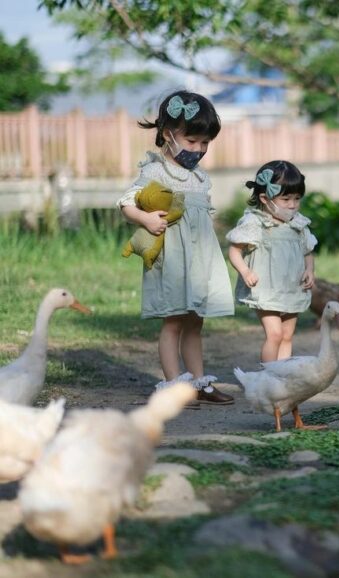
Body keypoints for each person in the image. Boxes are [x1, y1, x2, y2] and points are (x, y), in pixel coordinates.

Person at [117, 90, 235, 404]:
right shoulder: (156, 171)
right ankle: (173, 384)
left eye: (205, 143)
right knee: (173, 321)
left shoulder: (200, 177)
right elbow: (126, 203)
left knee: (195, 320)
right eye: (192, 141)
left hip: (198, 260)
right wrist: (145, 218)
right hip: (171, 258)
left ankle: (199, 382)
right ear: (168, 134)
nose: (199, 149)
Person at [226, 160, 317, 362]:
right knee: (274, 334)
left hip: (293, 286)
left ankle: (282, 375)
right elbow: (234, 251)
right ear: (265, 198)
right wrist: (245, 271)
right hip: (265, 288)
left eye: (297, 198)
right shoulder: (255, 222)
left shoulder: (298, 224)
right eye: (286, 199)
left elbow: (307, 251)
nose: (292, 205)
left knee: (287, 335)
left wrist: (310, 270)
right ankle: (268, 376)